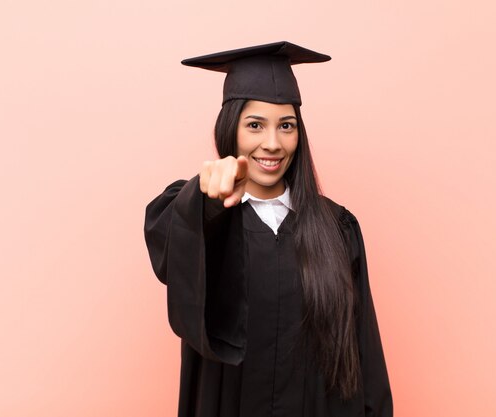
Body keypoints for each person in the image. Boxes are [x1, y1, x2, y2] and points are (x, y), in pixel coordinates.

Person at [144, 41, 392, 417]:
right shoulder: (203, 217)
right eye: (255, 125)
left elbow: (366, 356)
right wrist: (207, 198)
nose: (272, 144)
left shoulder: (337, 229)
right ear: (231, 129)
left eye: (286, 126)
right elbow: (173, 246)